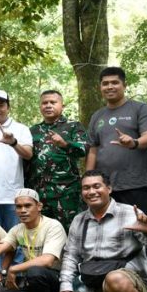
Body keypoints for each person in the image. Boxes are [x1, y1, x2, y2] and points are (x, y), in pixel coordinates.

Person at [86, 67, 147, 213]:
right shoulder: (97, 116)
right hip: (104, 188)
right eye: (105, 83)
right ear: (100, 87)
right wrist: (88, 181)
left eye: (115, 82)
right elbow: (93, 150)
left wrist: (134, 142)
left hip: (135, 185)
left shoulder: (140, 109)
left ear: (124, 85)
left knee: (139, 231)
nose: (110, 87)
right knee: (106, 231)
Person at [26, 90, 89, 230]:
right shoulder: (33, 131)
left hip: (66, 194)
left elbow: (84, 150)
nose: (48, 105)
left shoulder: (73, 126)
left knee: (70, 233)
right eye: (44, 103)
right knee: (43, 234)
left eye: (53, 102)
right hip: (40, 194)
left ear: (62, 106)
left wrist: (65, 144)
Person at [0, 89, 33, 235]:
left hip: (13, 196)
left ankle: (18, 260)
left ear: (8, 107)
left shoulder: (21, 129)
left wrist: (13, 142)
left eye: (1, 105)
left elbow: (28, 154)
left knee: (16, 238)